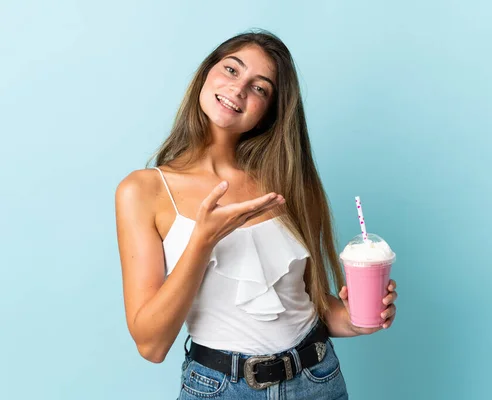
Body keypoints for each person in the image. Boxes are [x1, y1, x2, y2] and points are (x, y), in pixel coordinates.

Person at [115, 29, 398, 399]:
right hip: (220, 388)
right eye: (232, 70)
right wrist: (202, 240)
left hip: (317, 379)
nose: (238, 89)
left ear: (269, 112)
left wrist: (357, 321)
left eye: (260, 88)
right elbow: (151, 345)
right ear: (206, 73)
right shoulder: (143, 190)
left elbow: (310, 304)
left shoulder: (286, 181)